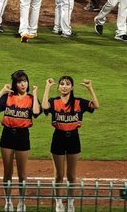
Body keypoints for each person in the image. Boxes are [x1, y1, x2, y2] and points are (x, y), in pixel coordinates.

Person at [42, 77, 99, 212]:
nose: (64, 86)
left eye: (67, 84)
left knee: (71, 175)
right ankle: (58, 202)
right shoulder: (54, 101)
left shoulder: (79, 102)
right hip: (58, 138)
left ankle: (70, 202)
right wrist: (47, 87)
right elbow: (44, 106)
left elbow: (96, 105)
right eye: (62, 84)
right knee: (59, 175)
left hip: (73, 138)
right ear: (58, 87)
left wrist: (90, 88)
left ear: (72, 87)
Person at [0, 70, 41, 212]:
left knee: (22, 173)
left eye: (25, 81)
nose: (23, 84)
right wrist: (2, 91)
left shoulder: (31, 98)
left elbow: (36, 112)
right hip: (7, 135)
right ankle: (8, 201)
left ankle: (22, 202)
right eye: (19, 82)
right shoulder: (8, 96)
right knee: (7, 172)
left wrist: (35, 94)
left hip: (23, 136)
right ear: (15, 84)